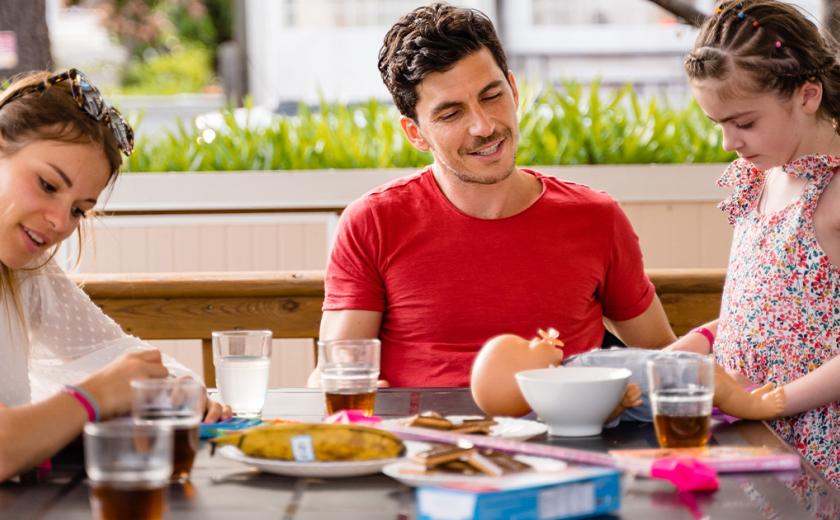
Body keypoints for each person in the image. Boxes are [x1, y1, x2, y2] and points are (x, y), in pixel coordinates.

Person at [311, 3, 676, 388]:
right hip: (428, 441)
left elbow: (663, 358)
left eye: (491, 96)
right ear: (415, 133)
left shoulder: (596, 217)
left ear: (514, 90)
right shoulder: (373, 222)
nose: (483, 126)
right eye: (451, 114)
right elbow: (331, 376)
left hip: (564, 440)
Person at [0, 69, 230, 481]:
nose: (58, 222)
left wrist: (178, 388)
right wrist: (98, 395)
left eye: (78, 210)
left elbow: (117, 352)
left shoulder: (28, 273)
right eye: (48, 185)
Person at [666, 0, 839, 487]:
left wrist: (773, 400)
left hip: (818, 451)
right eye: (717, 124)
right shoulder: (761, 179)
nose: (728, 143)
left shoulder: (835, 194)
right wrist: (686, 350)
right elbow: (766, 310)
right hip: (753, 440)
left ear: (807, 95)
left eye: (743, 123)